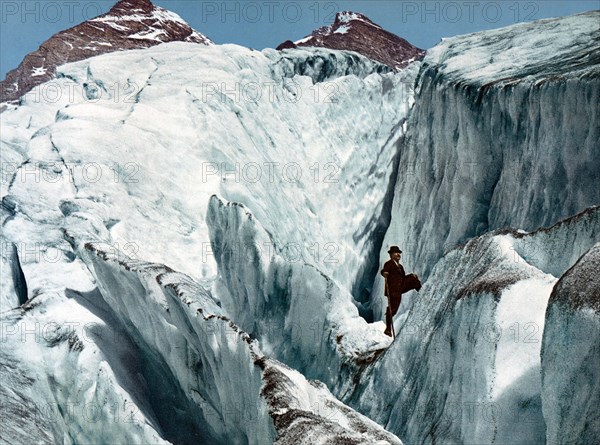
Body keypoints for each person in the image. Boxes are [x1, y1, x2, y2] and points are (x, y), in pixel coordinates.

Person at [381, 245, 421, 337]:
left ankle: (422, 291)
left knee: (412, 278)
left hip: (400, 287)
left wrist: (412, 275)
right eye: (396, 253)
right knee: (393, 309)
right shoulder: (389, 264)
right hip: (393, 290)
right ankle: (388, 329)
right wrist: (384, 273)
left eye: (399, 253)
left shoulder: (400, 266)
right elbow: (384, 270)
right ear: (391, 255)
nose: (398, 254)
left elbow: (403, 278)